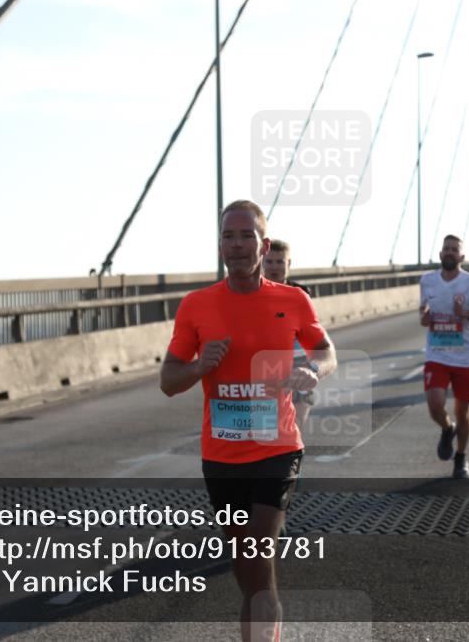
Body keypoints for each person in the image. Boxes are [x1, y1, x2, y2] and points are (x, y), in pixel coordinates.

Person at [160, 200, 337, 642]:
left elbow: (326, 351)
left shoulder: (293, 300)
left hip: (277, 449)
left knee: (257, 556)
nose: (236, 245)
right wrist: (200, 368)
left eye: (245, 236)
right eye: (228, 236)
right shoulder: (197, 305)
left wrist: (312, 371)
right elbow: (168, 380)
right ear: (220, 244)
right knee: (247, 567)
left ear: (264, 244)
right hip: (221, 456)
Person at [420, 234, 469, 478]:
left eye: (454, 250)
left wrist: (468, 314)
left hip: (465, 356)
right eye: (446, 249)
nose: (450, 253)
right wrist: (426, 317)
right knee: (435, 404)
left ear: (461, 257)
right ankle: (446, 427)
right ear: (440, 254)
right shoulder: (427, 281)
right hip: (437, 353)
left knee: (463, 412)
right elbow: (423, 315)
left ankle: (461, 458)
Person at [263, 239, 316, 425]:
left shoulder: (301, 293)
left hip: (299, 364)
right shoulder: (253, 294)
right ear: (261, 262)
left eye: (280, 262)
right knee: (270, 427)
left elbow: (311, 332)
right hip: (266, 366)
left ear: (289, 264)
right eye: (269, 262)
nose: (274, 267)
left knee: (297, 423)